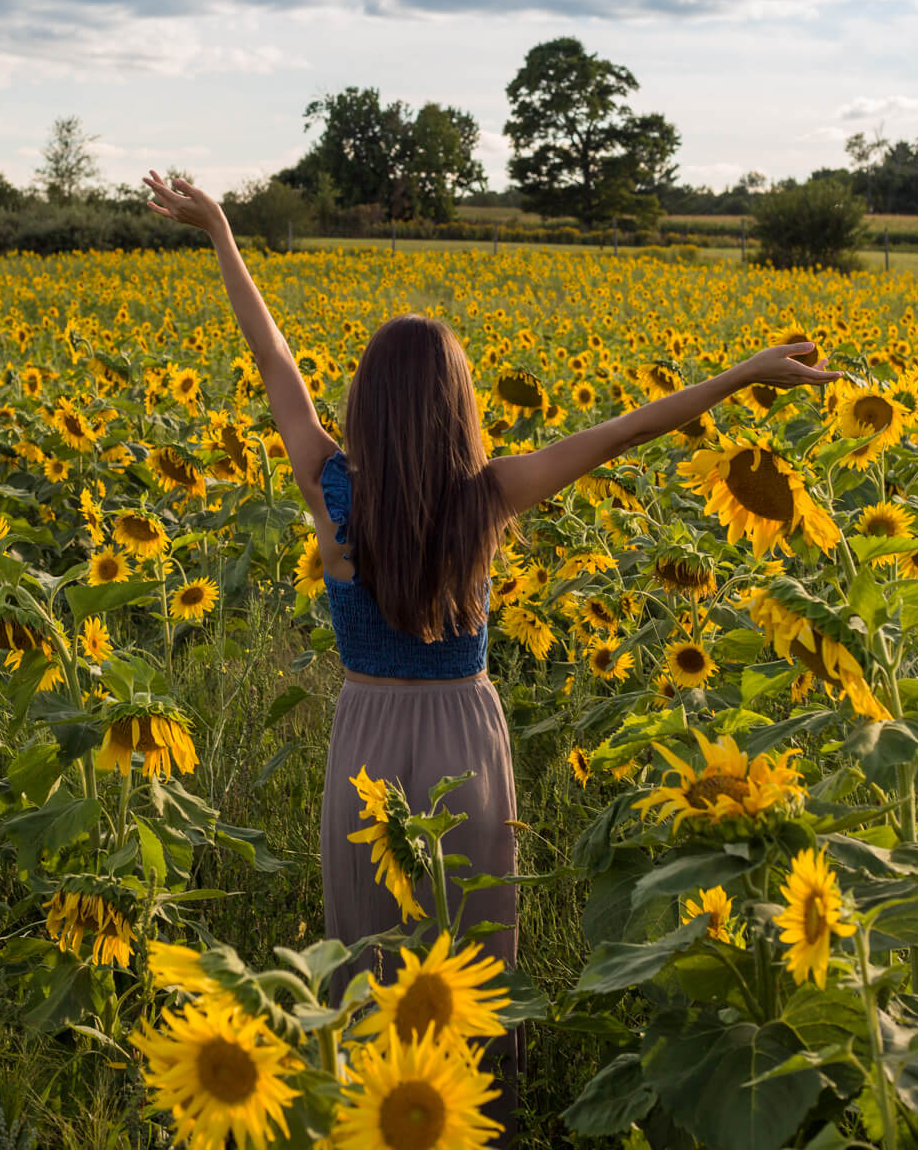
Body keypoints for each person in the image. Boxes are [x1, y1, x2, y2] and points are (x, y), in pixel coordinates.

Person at [141, 168, 844, 1132]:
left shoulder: (330, 488)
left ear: (367, 404)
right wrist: (746, 371)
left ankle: (377, 1116)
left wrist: (221, 228)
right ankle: (480, 1121)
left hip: (370, 739)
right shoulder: (493, 496)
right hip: (466, 738)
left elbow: (275, 366)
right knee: (470, 955)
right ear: (457, 404)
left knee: (371, 956)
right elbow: (632, 429)